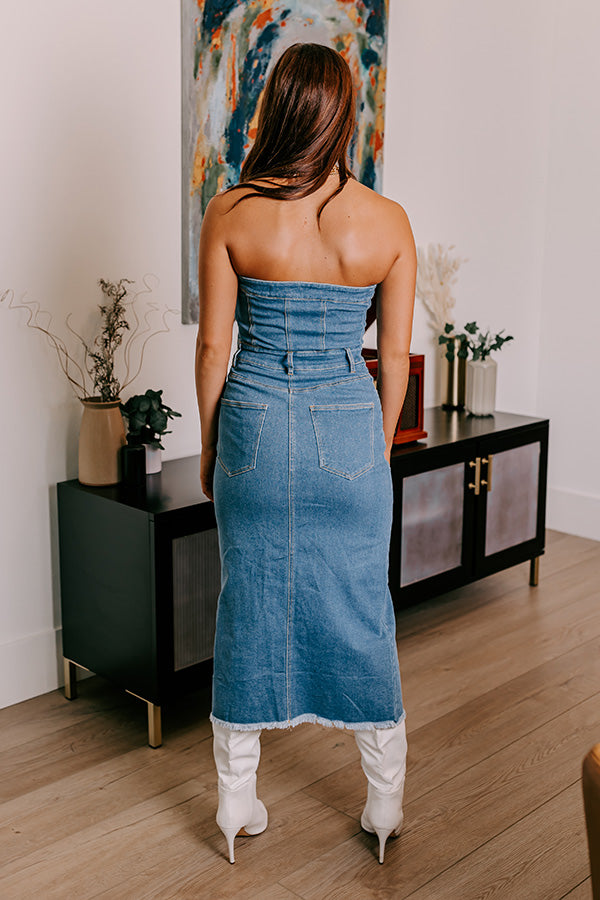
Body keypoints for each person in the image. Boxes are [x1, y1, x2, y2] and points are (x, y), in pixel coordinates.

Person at [195, 42, 416, 866]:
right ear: (344, 114)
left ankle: (235, 802)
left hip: (254, 421)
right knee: (362, 605)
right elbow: (394, 361)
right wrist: (376, 446)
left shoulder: (230, 212)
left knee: (246, 602)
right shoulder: (387, 221)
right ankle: (384, 803)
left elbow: (213, 349)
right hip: (349, 425)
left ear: (276, 106)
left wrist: (213, 444)